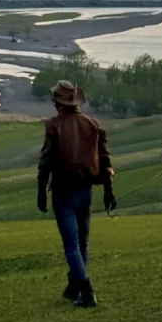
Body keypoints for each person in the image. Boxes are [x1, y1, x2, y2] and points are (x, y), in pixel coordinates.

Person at [37, 79, 116, 307]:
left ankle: (86, 290)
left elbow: (46, 161)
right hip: (86, 192)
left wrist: (41, 190)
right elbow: (105, 161)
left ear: (57, 102)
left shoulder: (53, 126)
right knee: (82, 243)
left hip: (63, 193)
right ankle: (74, 288)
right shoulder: (94, 124)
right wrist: (108, 192)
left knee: (71, 246)